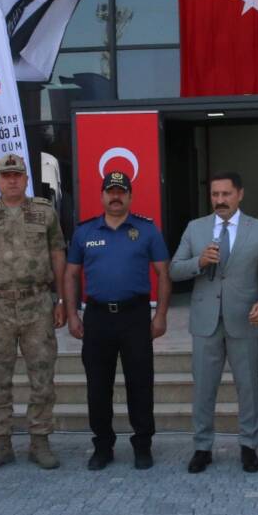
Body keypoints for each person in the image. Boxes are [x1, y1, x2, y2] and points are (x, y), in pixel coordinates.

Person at [170, 171, 258, 474]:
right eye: (215, 195)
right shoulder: (195, 229)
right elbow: (174, 270)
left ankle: (249, 446)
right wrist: (199, 262)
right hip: (205, 321)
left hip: (245, 320)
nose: (220, 200)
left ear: (240, 194)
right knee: (203, 388)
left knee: (248, 387)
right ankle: (202, 447)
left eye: (226, 194)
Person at [0, 153, 67, 472]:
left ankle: (40, 440)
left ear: (25, 179)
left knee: (42, 375)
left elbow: (57, 253)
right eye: (6, 176)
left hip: (37, 303)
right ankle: (0, 442)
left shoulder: (44, 212)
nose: (11, 180)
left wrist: (61, 300)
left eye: (17, 175)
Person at [64, 171, 171, 471]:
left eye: (121, 192)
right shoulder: (85, 232)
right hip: (97, 318)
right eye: (110, 191)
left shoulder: (147, 230)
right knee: (98, 386)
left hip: (135, 317)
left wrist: (160, 314)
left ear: (130, 196)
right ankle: (102, 446)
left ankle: (142, 445)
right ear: (101, 196)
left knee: (140, 383)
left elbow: (164, 273)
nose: (115, 196)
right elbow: (71, 274)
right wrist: (72, 313)